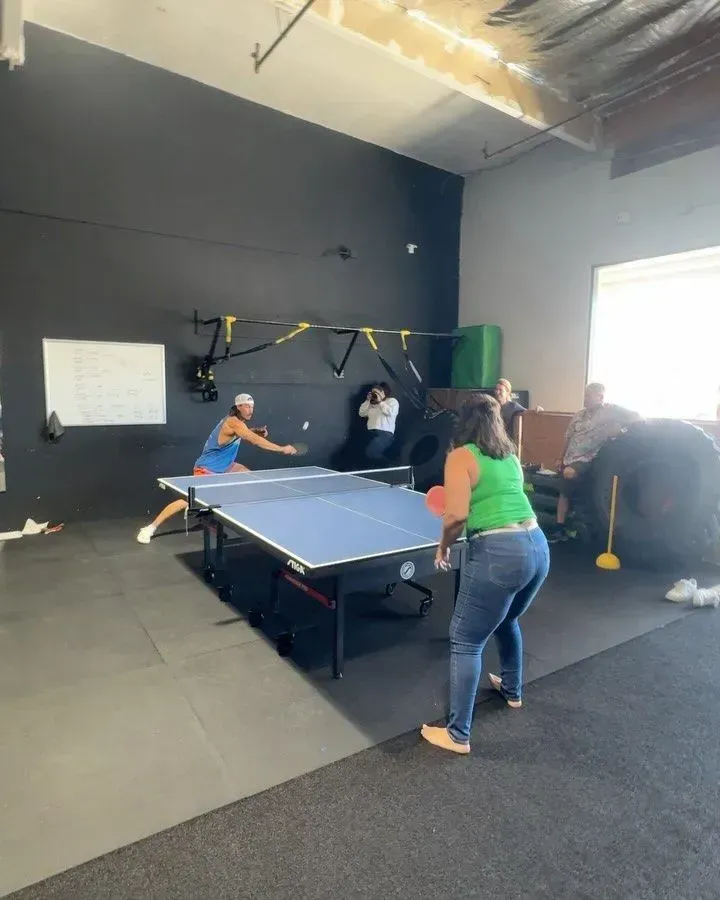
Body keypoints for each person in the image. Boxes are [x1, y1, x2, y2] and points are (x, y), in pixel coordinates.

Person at [421, 393, 549, 755]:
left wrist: (443, 545)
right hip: (538, 545)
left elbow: (457, 516)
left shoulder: (460, 455)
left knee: (465, 640)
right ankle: (512, 691)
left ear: (462, 421)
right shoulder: (509, 456)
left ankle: (457, 734)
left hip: (499, 552)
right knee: (508, 620)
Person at [136, 393, 297, 544]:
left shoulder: (238, 423)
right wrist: (281, 448)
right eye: (247, 406)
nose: (250, 410)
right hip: (207, 469)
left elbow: (244, 433)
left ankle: (229, 520)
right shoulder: (233, 422)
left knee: (249, 477)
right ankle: (150, 528)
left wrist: (255, 430)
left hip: (226, 466)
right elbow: (252, 439)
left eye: (252, 407)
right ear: (238, 407)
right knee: (186, 500)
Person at [550, 382, 640, 541]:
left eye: (588, 395)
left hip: (589, 458)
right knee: (564, 486)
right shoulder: (579, 415)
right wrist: (560, 457)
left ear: (600, 397)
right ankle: (561, 527)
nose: (585, 398)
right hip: (571, 457)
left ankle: (575, 522)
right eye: (584, 395)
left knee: (569, 474)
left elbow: (636, 416)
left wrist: (620, 430)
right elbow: (568, 437)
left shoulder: (609, 411)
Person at [358, 382, 399, 463]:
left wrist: (380, 402)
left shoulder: (392, 401)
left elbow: (390, 413)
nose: (374, 395)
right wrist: (367, 401)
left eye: (376, 393)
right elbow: (361, 413)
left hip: (385, 433)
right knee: (365, 454)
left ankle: (388, 466)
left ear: (383, 392)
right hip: (371, 433)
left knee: (372, 452)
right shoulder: (371, 404)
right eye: (373, 393)